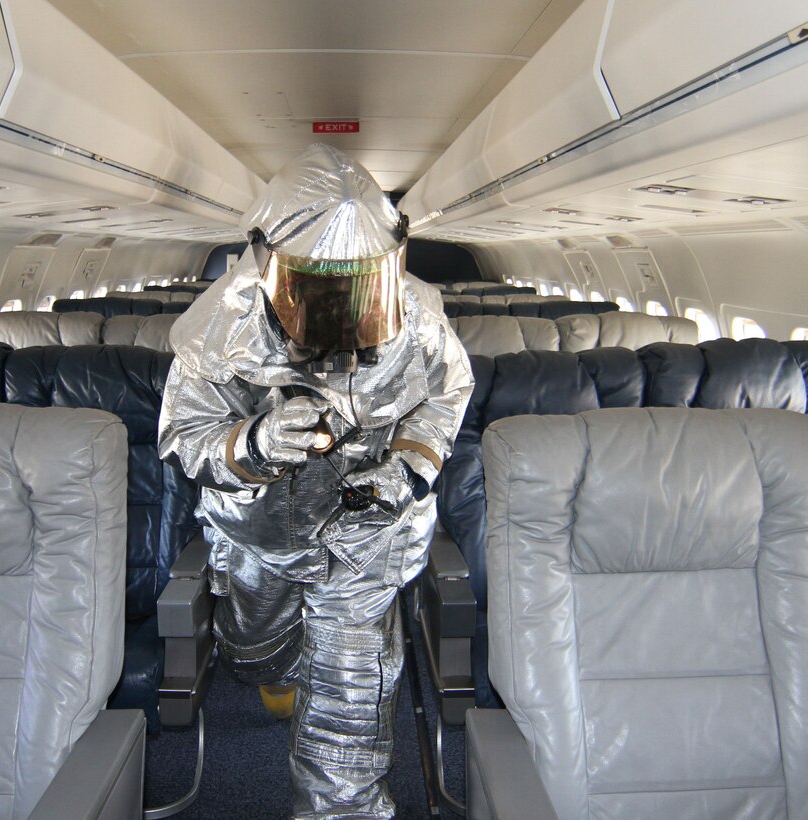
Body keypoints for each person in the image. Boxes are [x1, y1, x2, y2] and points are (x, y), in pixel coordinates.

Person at [158, 143, 474, 818]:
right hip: (260, 536)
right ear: (271, 266)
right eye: (324, 292)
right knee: (256, 651)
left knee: (347, 708)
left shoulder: (418, 315)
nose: (346, 313)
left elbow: (447, 395)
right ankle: (274, 672)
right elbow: (185, 439)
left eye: (363, 288)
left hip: (365, 541)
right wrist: (256, 443)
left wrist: (408, 468)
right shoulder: (219, 327)